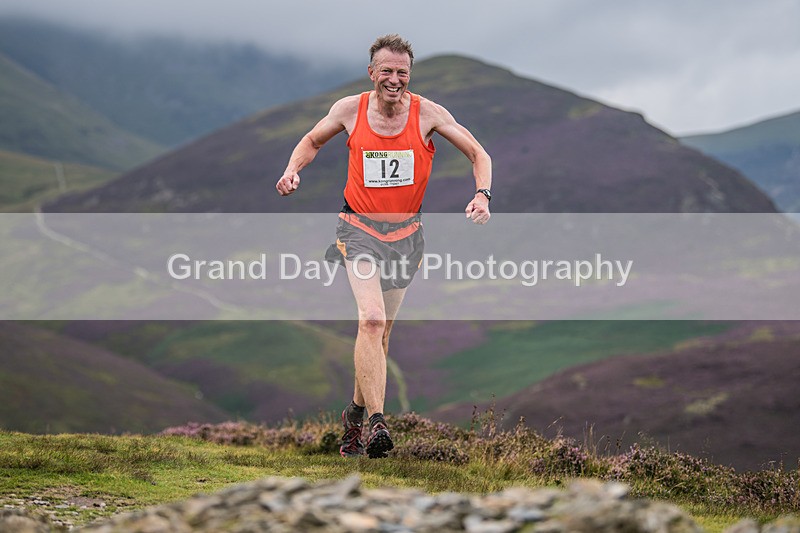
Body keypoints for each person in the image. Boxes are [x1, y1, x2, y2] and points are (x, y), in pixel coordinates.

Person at [276, 34, 492, 458]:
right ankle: (377, 425)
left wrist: (482, 194)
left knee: (381, 336)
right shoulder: (349, 110)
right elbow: (311, 141)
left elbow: (478, 153)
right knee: (371, 321)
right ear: (372, 72)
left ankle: (353, 417)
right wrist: (292, 171)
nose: (395, 80)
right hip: (357, 230)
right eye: (387, 71)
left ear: (410, 75)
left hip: (406, 237)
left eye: (403, 73)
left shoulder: (428, 113)